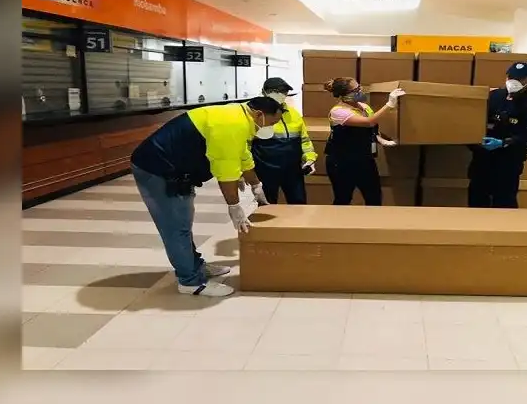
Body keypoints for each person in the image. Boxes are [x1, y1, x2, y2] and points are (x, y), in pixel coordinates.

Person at [129, 97, 284, 297]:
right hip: (157, 169)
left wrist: (255, 184)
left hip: (174, 168)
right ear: (259, 114)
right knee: (176, 226)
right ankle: (190, 282)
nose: (271, 127)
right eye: (272, 122)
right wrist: (234, 206)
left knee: (183, 221)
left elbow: (242, 154)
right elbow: (225, 169)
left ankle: (196, 267)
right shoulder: (232, 123)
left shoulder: (238, 117)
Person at [467, 62, 527, 208]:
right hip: (483, 159)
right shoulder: (493, 96)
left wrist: (503, 143)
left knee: (504, 202)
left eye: (520, 79)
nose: (514, 81)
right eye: (512, 77)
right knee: (477, 198)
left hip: (508, 162)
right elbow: (474, 122)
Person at [322, 77, 404, 205]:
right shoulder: (338, 112)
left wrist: (381, 140)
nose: (360, 91)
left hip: (364, 159)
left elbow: (370, 129)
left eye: (359, 87)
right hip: (342, 162)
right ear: (345, 95)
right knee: (343, 198)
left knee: (374, 198)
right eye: (356, 90)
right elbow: (368, 122)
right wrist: (389, 104)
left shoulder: (364, 107)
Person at [247, 77, 317, 204]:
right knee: (267, 204)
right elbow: (246, 144)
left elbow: (304, 139)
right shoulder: (255, 114)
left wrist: (310, 158)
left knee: (299, 203)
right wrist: (245, 171)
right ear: (264, 92)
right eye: (276, 91)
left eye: (284, 91)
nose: (282, 94)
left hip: (292, 169)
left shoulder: (293, 114)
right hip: (266, 168)